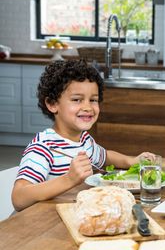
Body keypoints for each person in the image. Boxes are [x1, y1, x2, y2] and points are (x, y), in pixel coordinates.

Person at [12, 60, 154, 211]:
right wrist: (69, 179)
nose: (87, 107)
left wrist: (131, 161)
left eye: (93, 100)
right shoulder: (44, 147)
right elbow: (19, 198)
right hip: (41, 227)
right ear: (52, 104)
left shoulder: (85, 140)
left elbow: (105, 156)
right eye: (76, 100)